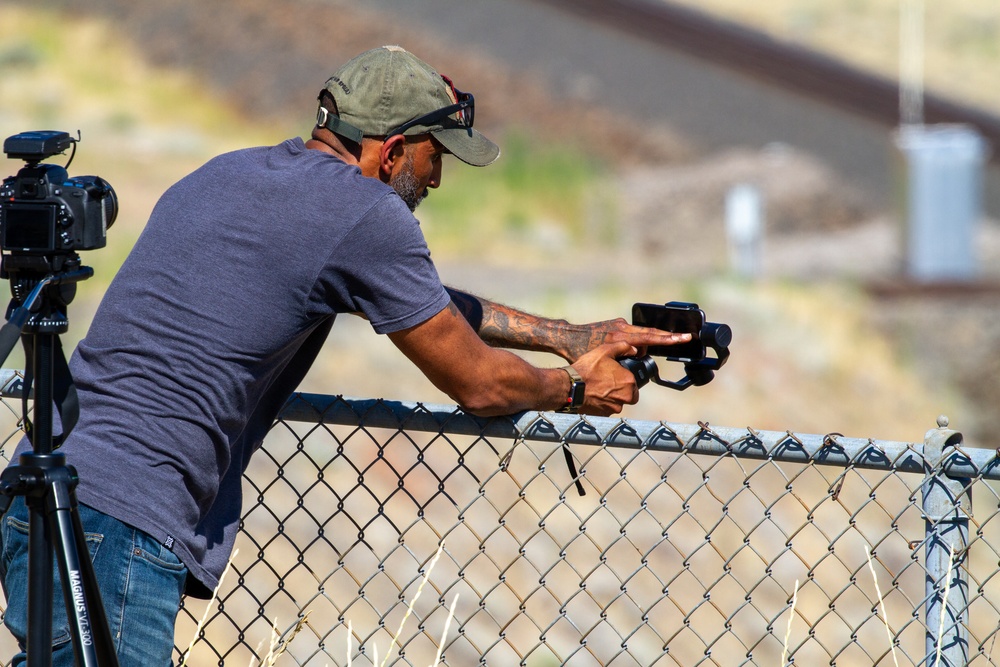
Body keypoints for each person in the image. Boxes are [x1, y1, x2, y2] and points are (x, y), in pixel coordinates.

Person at [0, 45, 690, 665]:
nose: (438, 180)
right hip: (121, 526)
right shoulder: (365, 215)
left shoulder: (232, 173)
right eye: (436, 155)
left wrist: (568, 336)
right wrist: (574, 389)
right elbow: (477, 385)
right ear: (391, 152)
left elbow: (425, 304)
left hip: (43, 492)